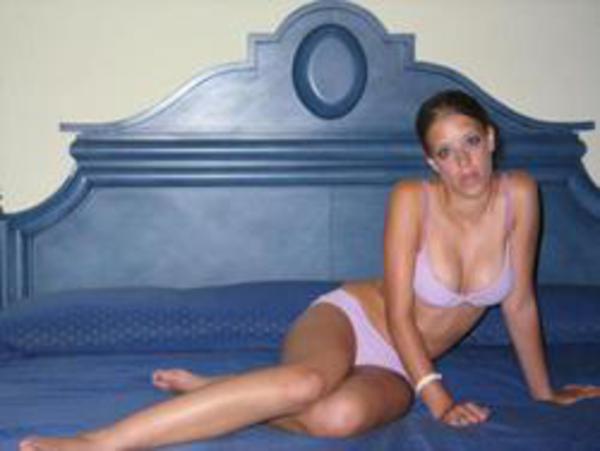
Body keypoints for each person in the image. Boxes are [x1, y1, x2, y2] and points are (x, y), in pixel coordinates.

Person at [20, 90, 600, 451]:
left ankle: (227, 392)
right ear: (431, 161)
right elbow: (400, 314)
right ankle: (102, 441)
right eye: (446, 152)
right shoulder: (412, 198)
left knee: (338, 417)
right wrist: (440, 400)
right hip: (356, 321)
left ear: (491, 139)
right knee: (307, 383)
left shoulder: (520, 194)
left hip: (399, 367)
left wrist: (545, 394)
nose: (463, 162)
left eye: (471, 142)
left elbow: (519, 302)